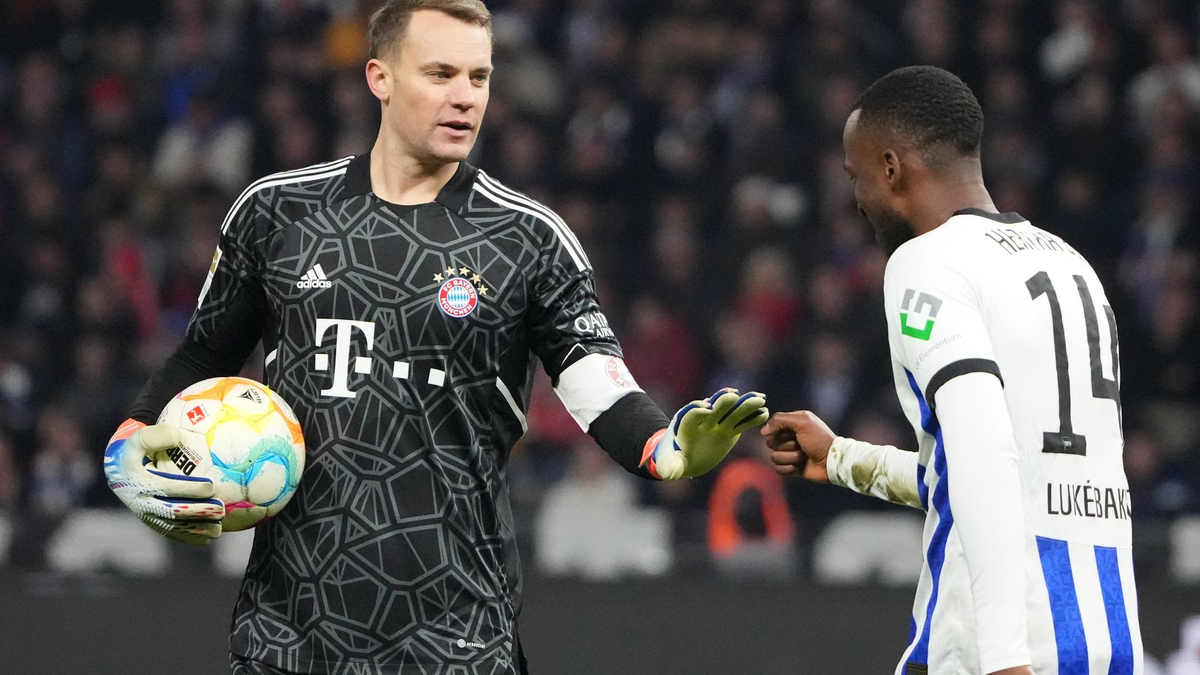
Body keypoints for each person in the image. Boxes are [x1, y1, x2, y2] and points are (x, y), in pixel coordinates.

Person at [100, 2, 768, 674]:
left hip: (455, 641)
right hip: (286, 636)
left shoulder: (530, 240)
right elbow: (202, 354)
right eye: (441, 73)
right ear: (379, 77)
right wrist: (129, 444)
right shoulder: (276, 212)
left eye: (479, 77)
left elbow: (597, 382)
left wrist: (668, 449)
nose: (465, 97)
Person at [764, 66, 1143, 675]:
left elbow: (984, 455)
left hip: (992, 644)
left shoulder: (928, 262)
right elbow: (1020, 479)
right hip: (1104, 638)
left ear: (891, 168)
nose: (856, 199)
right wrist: (841, 458)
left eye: (854, 176)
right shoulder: (1073, 268)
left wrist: (1001, 659)